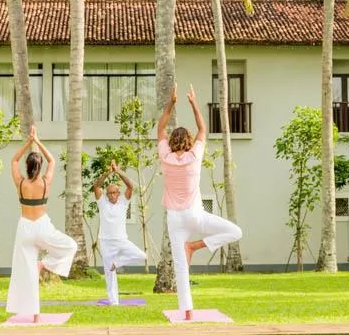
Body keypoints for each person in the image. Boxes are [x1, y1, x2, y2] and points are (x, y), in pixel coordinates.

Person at [158, 84, 242, 318]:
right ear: (188, 141)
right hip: (195, 216)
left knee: (180, 266)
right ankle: (195, 246)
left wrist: (171, 103)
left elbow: (160, 128)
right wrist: (193, 103)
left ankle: (187, 312)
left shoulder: (165, 157)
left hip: (175, 219)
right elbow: (203, 128)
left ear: (172, 142)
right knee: (235, 232)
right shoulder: (195, 156)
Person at [6, 125, 77, 319]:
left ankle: (35, 315)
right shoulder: (45, 182)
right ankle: (44, 264)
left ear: (27, 167)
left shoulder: (21, 183)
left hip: (25, 228)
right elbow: (52, 160)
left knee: (27, 274)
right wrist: (37, 141)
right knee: (70, 246)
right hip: (42, 226)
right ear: (39, 168)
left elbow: (13, 160)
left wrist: (28, 142)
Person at [92, 162, 146, 305]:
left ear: (118, 193)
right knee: (109, 274)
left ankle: (118, 263)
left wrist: (118, 172)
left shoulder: (123, 202)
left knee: (142, 255)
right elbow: (96, 187)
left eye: (114, 192)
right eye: (109, 192)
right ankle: (113, 302)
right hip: (106, 241)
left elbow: (130, 186)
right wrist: (107, 173)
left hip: (122, 240)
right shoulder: (102, 202)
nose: (112, 195)